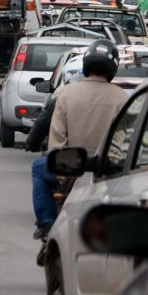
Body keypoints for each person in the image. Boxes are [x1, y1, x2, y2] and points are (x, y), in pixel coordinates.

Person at [31, 39, 126, 239]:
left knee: (38, 169)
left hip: (71, 166)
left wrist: (61, 171)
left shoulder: (66, 93)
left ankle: (46, 223)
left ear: (86, 64)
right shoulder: (122, 98)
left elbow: (57, 138)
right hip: (105, 170)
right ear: (113, 68)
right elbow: (124, 139)